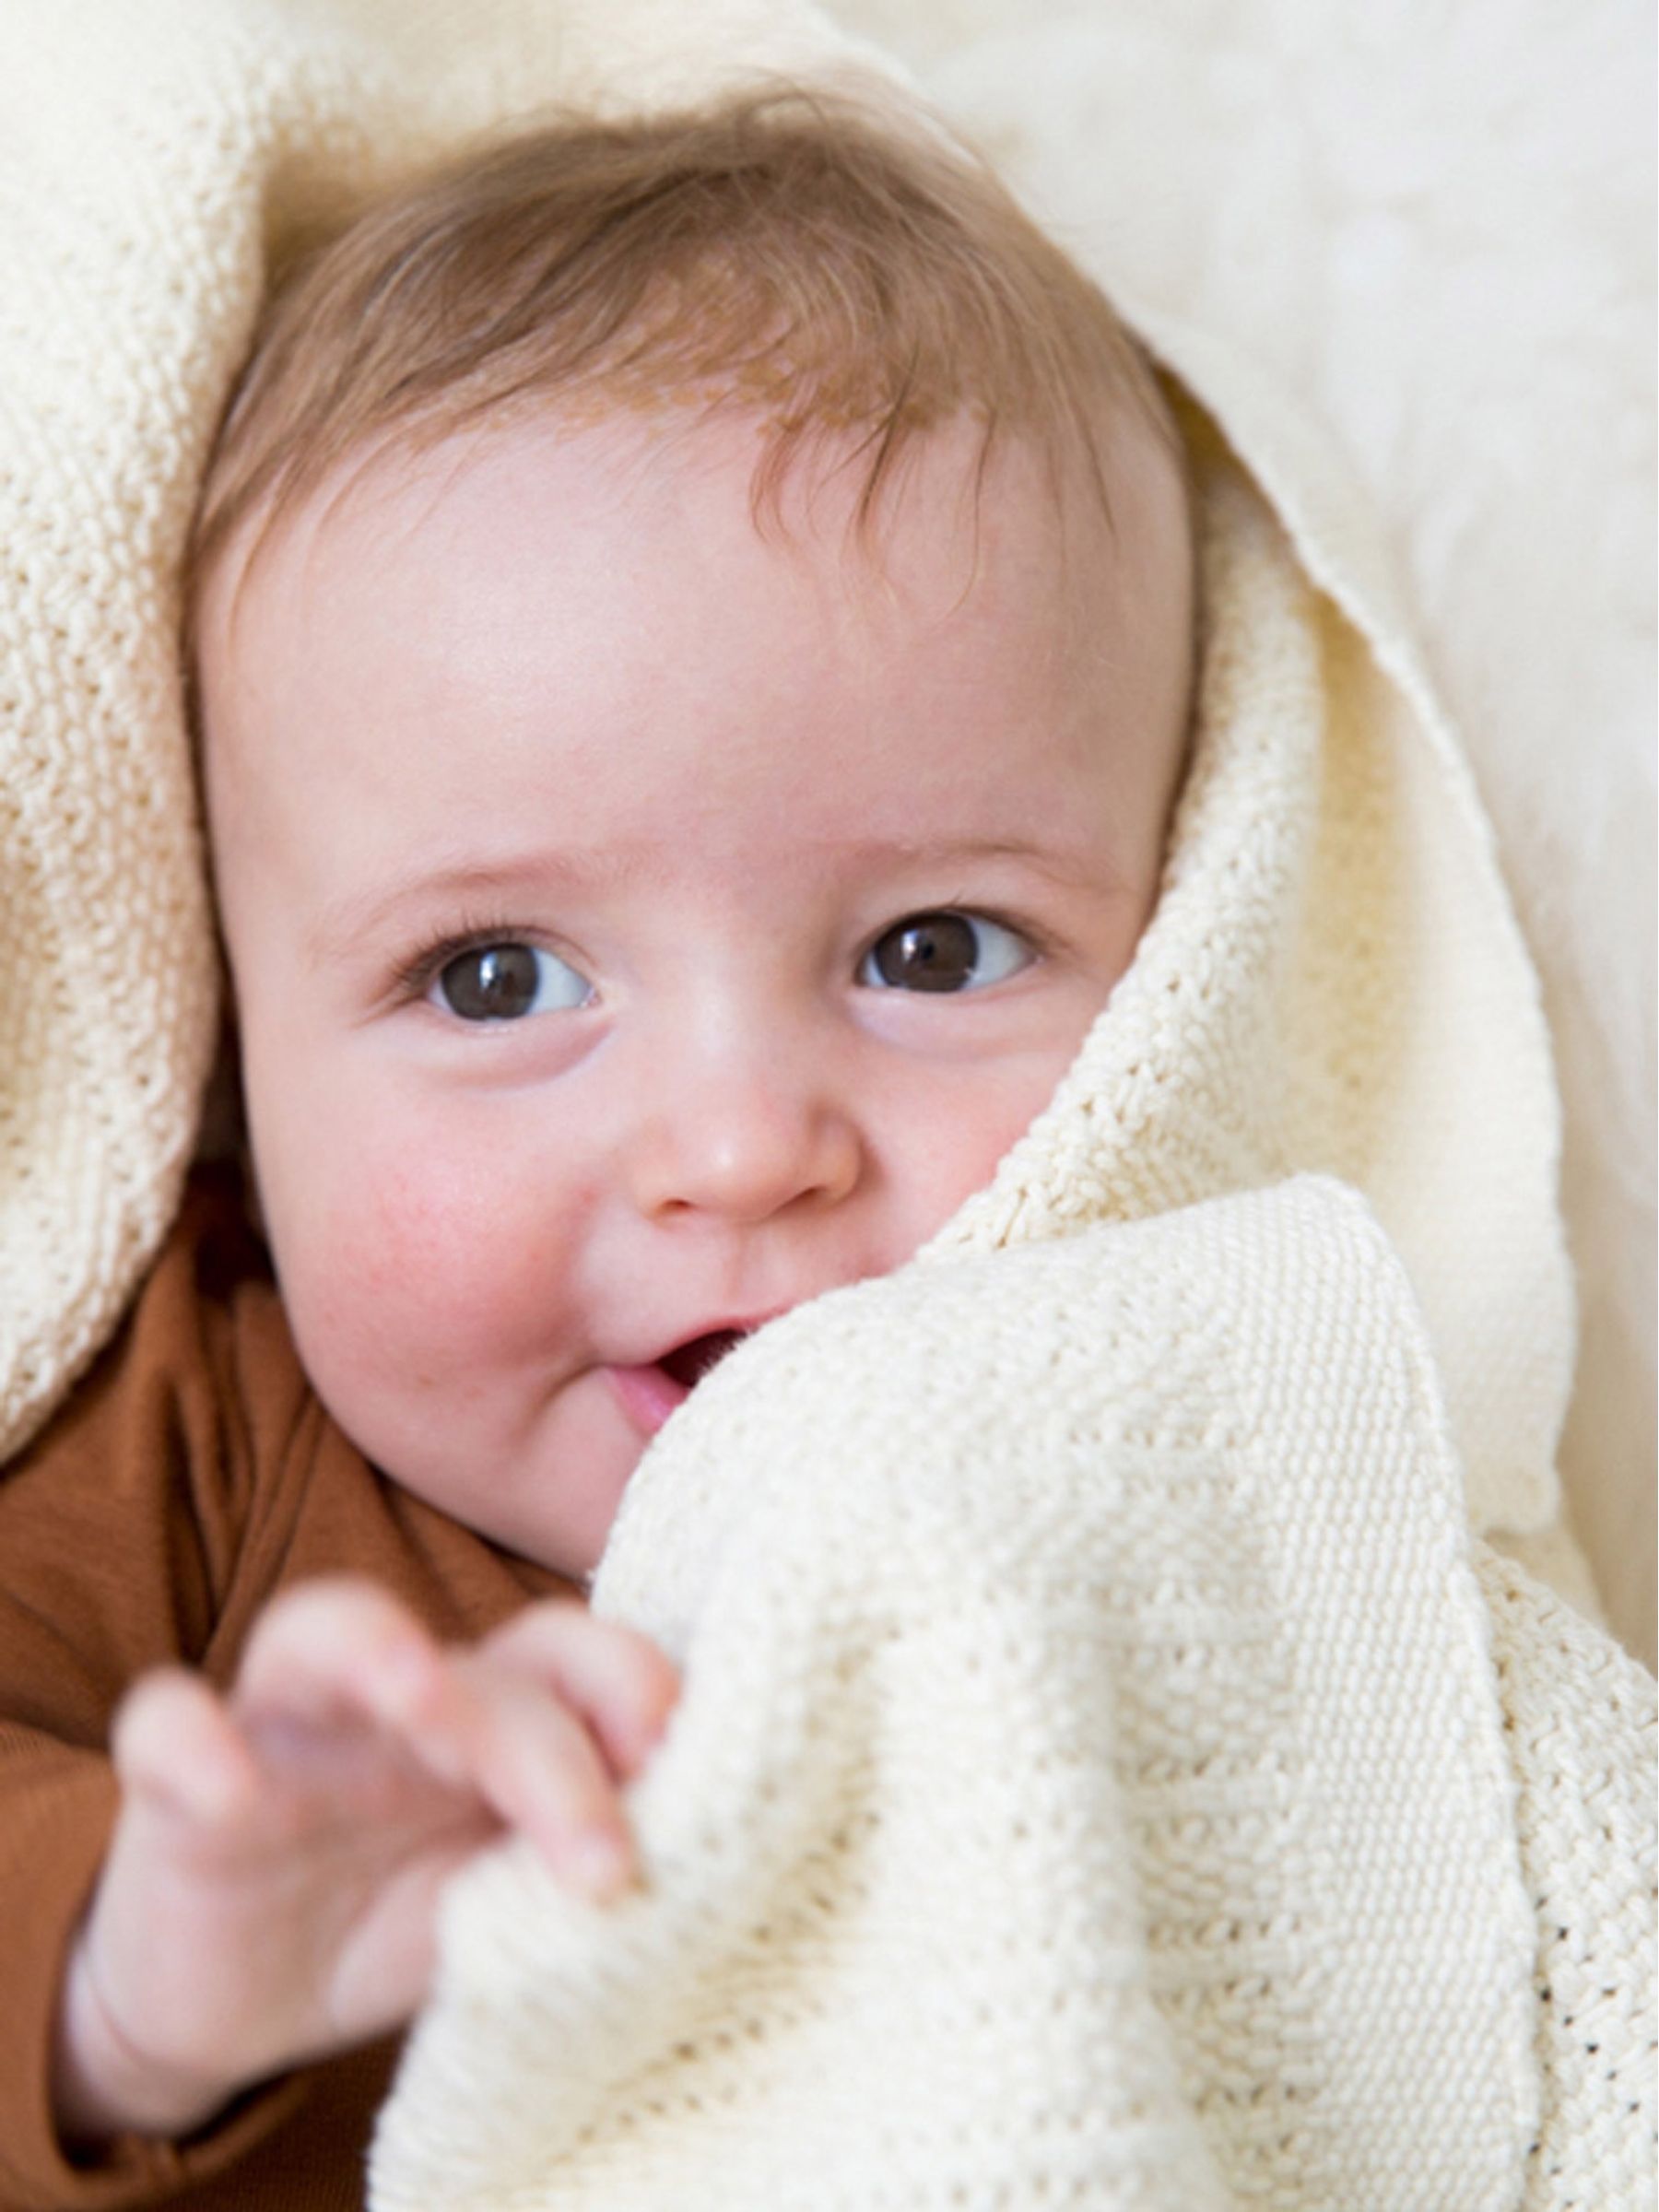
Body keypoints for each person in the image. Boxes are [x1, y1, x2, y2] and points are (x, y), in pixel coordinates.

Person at [0, 88, 1195, 2206]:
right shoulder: (200, 1438)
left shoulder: (1214, 1450)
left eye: (931, 948)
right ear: (232, 1053)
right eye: (495, 980)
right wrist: (129, 1978)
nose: (738, 1152)